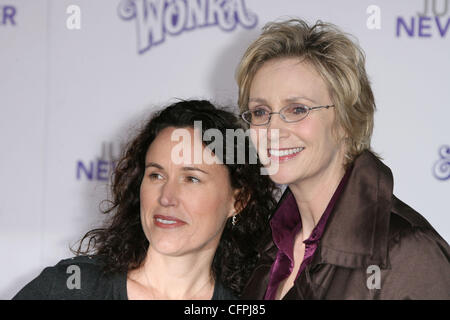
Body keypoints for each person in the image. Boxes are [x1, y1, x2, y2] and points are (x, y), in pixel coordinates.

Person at [236, 18, 450, 299]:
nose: (272, 131)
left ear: (346, 121)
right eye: (261, 112)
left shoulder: (406, 253)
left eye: (298, 109)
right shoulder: (269, 248)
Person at [13, 100, 277, 300]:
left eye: (191, 179)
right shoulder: (70, 288)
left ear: (238, 200)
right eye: (156, 175)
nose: (167, 197)